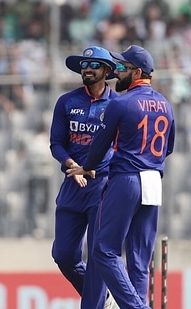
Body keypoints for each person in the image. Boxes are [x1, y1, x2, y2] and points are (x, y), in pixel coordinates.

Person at [67, 45, 175, 309]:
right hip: (153, 180)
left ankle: (136, 308)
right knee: (140, 258)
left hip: (126, 179)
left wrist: (87, 166)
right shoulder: (165, 104)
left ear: (137, 72)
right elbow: (168, 147)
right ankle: (138, 302)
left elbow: (100, 144)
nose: (118, 72)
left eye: (123, 68)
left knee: (103, 251)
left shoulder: (121, 102)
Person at [49, 45, 118, 309]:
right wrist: (71, 165)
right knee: (63, 255)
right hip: (71, 184)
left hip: (102, 187)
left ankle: (96, 304)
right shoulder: (67, 102)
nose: (87, 69)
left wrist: (93, 170)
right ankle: (105, 299)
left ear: (107, 71)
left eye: (94, 66)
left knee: (99, 255)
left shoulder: (116, 105)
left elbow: (119, 148)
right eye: (84, 66)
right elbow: (56, 143)